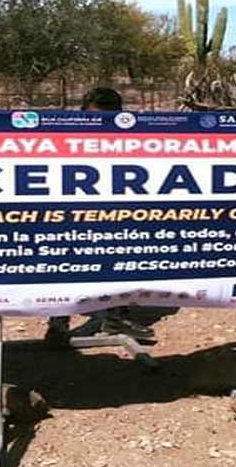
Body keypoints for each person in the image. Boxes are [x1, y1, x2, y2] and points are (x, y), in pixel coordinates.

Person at [43, 87, 158, 348]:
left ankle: (115, 318)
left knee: (119, 264)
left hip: (113, 215)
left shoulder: (127, 137)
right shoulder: (66, 136)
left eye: (106, 118)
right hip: (73, 216)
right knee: (66, 269)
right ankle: (57, 326)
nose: (99, 124)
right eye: (94, 117)